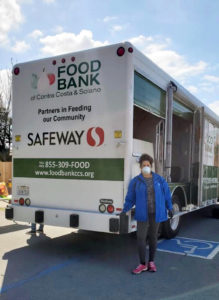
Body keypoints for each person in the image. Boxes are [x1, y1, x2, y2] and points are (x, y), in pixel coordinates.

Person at [121, 153, 173, 274]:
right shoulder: (135, 181)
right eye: (143, 165)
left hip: (156, 213)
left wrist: (170, 207)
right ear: (140, 167)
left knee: (153, 237)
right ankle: (142, 264)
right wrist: (125, 210)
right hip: (142, 214)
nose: (146, 166)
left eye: (148, 165)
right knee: (141, 238)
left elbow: (167, 195)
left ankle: (151, 262)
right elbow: (130, 198)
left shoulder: (160, 180)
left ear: (151, 166)